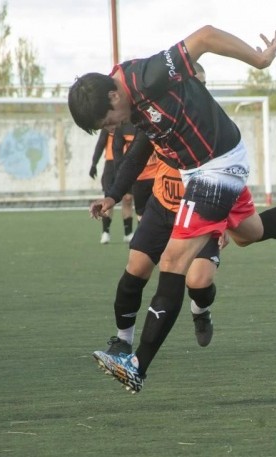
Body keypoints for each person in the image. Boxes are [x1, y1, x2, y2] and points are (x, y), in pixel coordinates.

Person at [68, 25, 276, 394]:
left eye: (109, 120)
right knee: (250, 232)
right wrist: (114, 194)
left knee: (174, 262)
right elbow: (141, 148)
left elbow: (205, 36)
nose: (114, 127)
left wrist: (259, 60)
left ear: (115, 96)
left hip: (219, 164)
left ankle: (137, 366)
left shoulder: (146, 76)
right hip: (198, 170)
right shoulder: (123, 98)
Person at [104, 66, 222, 357]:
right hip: (163, 208)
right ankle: (123, 340)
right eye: (193, 81)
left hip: (200, 213)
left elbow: (233, 174)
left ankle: (201, 309)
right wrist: (112, 196)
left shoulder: (214, 124)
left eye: (202, 83)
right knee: (135, 271)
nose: (197, 88)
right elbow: (134, 160)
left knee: (199, 282)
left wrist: (225, 220)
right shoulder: (162, 120)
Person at [89, 127, 134, 244]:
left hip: (127, 163)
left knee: (128, 199)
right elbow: (100, 144)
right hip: (111, 164)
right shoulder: (109, 125)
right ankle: (105, 232)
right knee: (109, 198)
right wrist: (94, 164)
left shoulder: (130, 124)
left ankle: (128, 233)